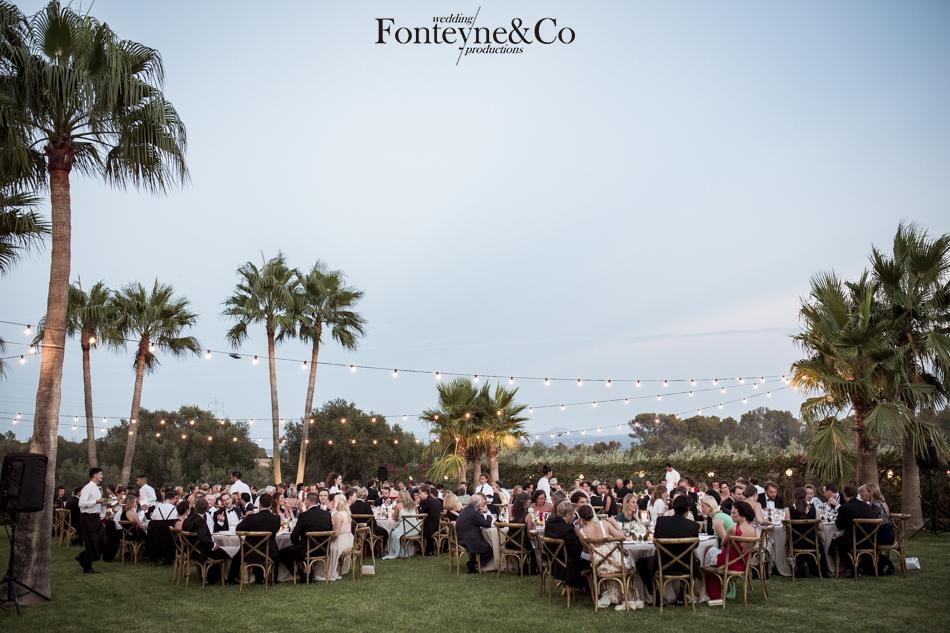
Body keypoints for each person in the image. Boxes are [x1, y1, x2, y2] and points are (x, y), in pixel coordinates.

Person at [635, 494, 700, 603]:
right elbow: (695, 546)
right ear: (688, 509)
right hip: (685, 566)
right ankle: (682, 594)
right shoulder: (693, 526)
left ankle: (655, 594)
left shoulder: (661, 521)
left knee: (640, 562)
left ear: (673, 507)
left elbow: (656, 543)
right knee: (696, 561)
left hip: (662, 565)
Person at [576, 504, 634, 610]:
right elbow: (622, 537)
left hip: (600, 566)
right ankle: (625, 593)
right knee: (631, 561)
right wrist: (615, 524)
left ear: (581, 517)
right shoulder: (604, 524)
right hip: (618, 564)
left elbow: (586, 550)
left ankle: (609, 593)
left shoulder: (581, 532)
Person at [704, 500, 757, 606]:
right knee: (712, 553)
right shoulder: (753, 530)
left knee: (708, 553)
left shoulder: (734, 530)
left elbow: (724, 543)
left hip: (728, 563)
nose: (731, 515)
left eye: (734, 513)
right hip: (743, 564)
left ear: (743, 514)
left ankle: (712, 594)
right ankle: (725, 591)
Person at [278, 492, 333, 580]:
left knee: (282, 553)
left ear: (307, 501)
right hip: (324, 549)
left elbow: (294, 536)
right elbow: (330, 531)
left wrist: (299, 545)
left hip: (306, 550)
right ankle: (307, 573)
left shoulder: (304, 516)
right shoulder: (327, 514)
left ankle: (300, 574)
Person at [181, 498, 232, 584]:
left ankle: (214, 575)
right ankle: (224, 578)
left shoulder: (187, 519)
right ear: (207, 509)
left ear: (195, 507)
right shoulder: (200, 521)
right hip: (201, 552)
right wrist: (213, 545)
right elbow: (203, 538)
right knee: (229, 551)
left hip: (190, 550)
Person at [830, 484, 876, 577]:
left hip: (854, 541)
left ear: (845, 494)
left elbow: (839, 526)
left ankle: (849, 568)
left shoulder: (844, 507)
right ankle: (859, 567)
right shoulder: (866, 506)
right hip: (869, 540)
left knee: (833, 545)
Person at [234, 493, 281, 583]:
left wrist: (247, 521)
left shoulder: (251, 518)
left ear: (259, 504)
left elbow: (238, 529)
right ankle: (274, 579)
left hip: (250, 553)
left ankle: (232, 577)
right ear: (271, 504)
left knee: (240, 551)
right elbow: (276, 530)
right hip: (269, 553)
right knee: (277, 549)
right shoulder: (276, 519)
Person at [544, 501, 588, 589]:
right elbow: (576, 550)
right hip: (567, 565)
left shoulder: (550, 522)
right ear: (568, 515)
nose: (575, 516)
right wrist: (579, 534)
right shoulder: (567, 530)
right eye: (573, 514)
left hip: (553, 561)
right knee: (591, 561)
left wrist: (572, 525)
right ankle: (590, 587)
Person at [784, 486, 822, 577]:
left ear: (794, 498)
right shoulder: (815, 510)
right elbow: (821, 528)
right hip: (812, 543)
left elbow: (786, 528)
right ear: (805, 497)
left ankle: (798, 566)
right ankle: (814, 567)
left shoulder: (788, 510)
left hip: (795, 543)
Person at [77, 467, 108, 574]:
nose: (102, 476)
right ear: (95, 475)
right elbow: (81, 504)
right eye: (101, 474)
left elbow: (97, 503)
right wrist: (96, 501)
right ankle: (87, 567)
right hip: (88, 519)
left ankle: (83, 557)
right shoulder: (87, 488)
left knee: (102, 541)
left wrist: (104, 504)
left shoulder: (98, 488)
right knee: (92, 543)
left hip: (95, 519)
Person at [455, 494, 494, 573]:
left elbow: (480, 521)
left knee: (482, 546)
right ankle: (473, 564)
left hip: (462, 538)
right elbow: (487, 524)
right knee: (489, 550)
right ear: (479, 505)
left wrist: (480, 513)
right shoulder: (473, 513)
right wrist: (489, 515)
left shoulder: (466, 510)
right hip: (469, 539)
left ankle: (473, 564)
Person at [320, 495, 353, 581]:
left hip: (341, 541)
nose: (333, 502)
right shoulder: (347, 513)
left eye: (334, 501)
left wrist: (327, 538)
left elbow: (336, 533)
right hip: (349, 539)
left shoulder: (338, 515)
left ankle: (328, 571)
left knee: (326, 547)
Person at [384, 490, 417, 559]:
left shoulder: (398, 505)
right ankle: (407, 551)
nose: (397, 496)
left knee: (391, 532)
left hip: (405, 529)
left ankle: (394, 551)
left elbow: (395, 519)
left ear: (401, 497)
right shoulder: (414, 504)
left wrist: (393, 515)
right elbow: (416, 516)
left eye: (398, 495)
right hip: (415, 529)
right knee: (395, 531)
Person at [418, 485, 443, 555]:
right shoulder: (437, 501)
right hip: (439, 527)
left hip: (429, 529)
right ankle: (430, 549)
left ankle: (423, 550)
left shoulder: (426, 502)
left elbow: (420, 515)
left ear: (425, 493)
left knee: (415, 530)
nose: (419, 495)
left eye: (420, 493)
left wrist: (417, 504)